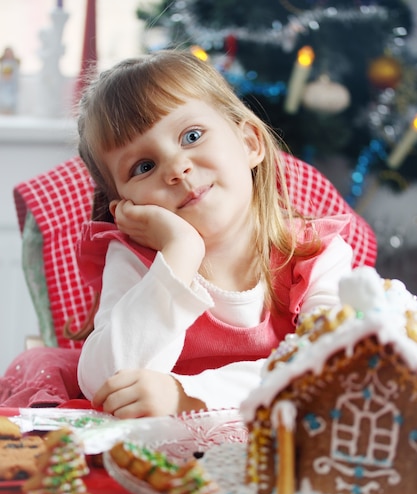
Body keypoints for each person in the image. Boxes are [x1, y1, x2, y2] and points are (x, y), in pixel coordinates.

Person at [72, 49, 365, 419]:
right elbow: (105, 383)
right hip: (172, 464)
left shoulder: (315, 254)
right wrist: (180, 252)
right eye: (143, 166)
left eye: (191, 136)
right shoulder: (136, 261)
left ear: (250, 143)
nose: (178, 168)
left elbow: (330, 370)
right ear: (126, 209)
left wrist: (187, 394)